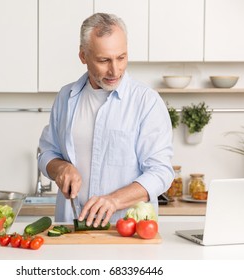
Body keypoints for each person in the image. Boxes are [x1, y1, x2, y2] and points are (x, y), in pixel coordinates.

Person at [38, 13, 174, 228]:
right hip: (71, 227)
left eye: (121, 57)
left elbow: (161, 173)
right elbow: (47, 153)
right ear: (83, 56)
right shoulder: (65, 97)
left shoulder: (146, 102)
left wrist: (115, 200)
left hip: (126, 230)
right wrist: (60, 168)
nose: (115, 70)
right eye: (104, 60)